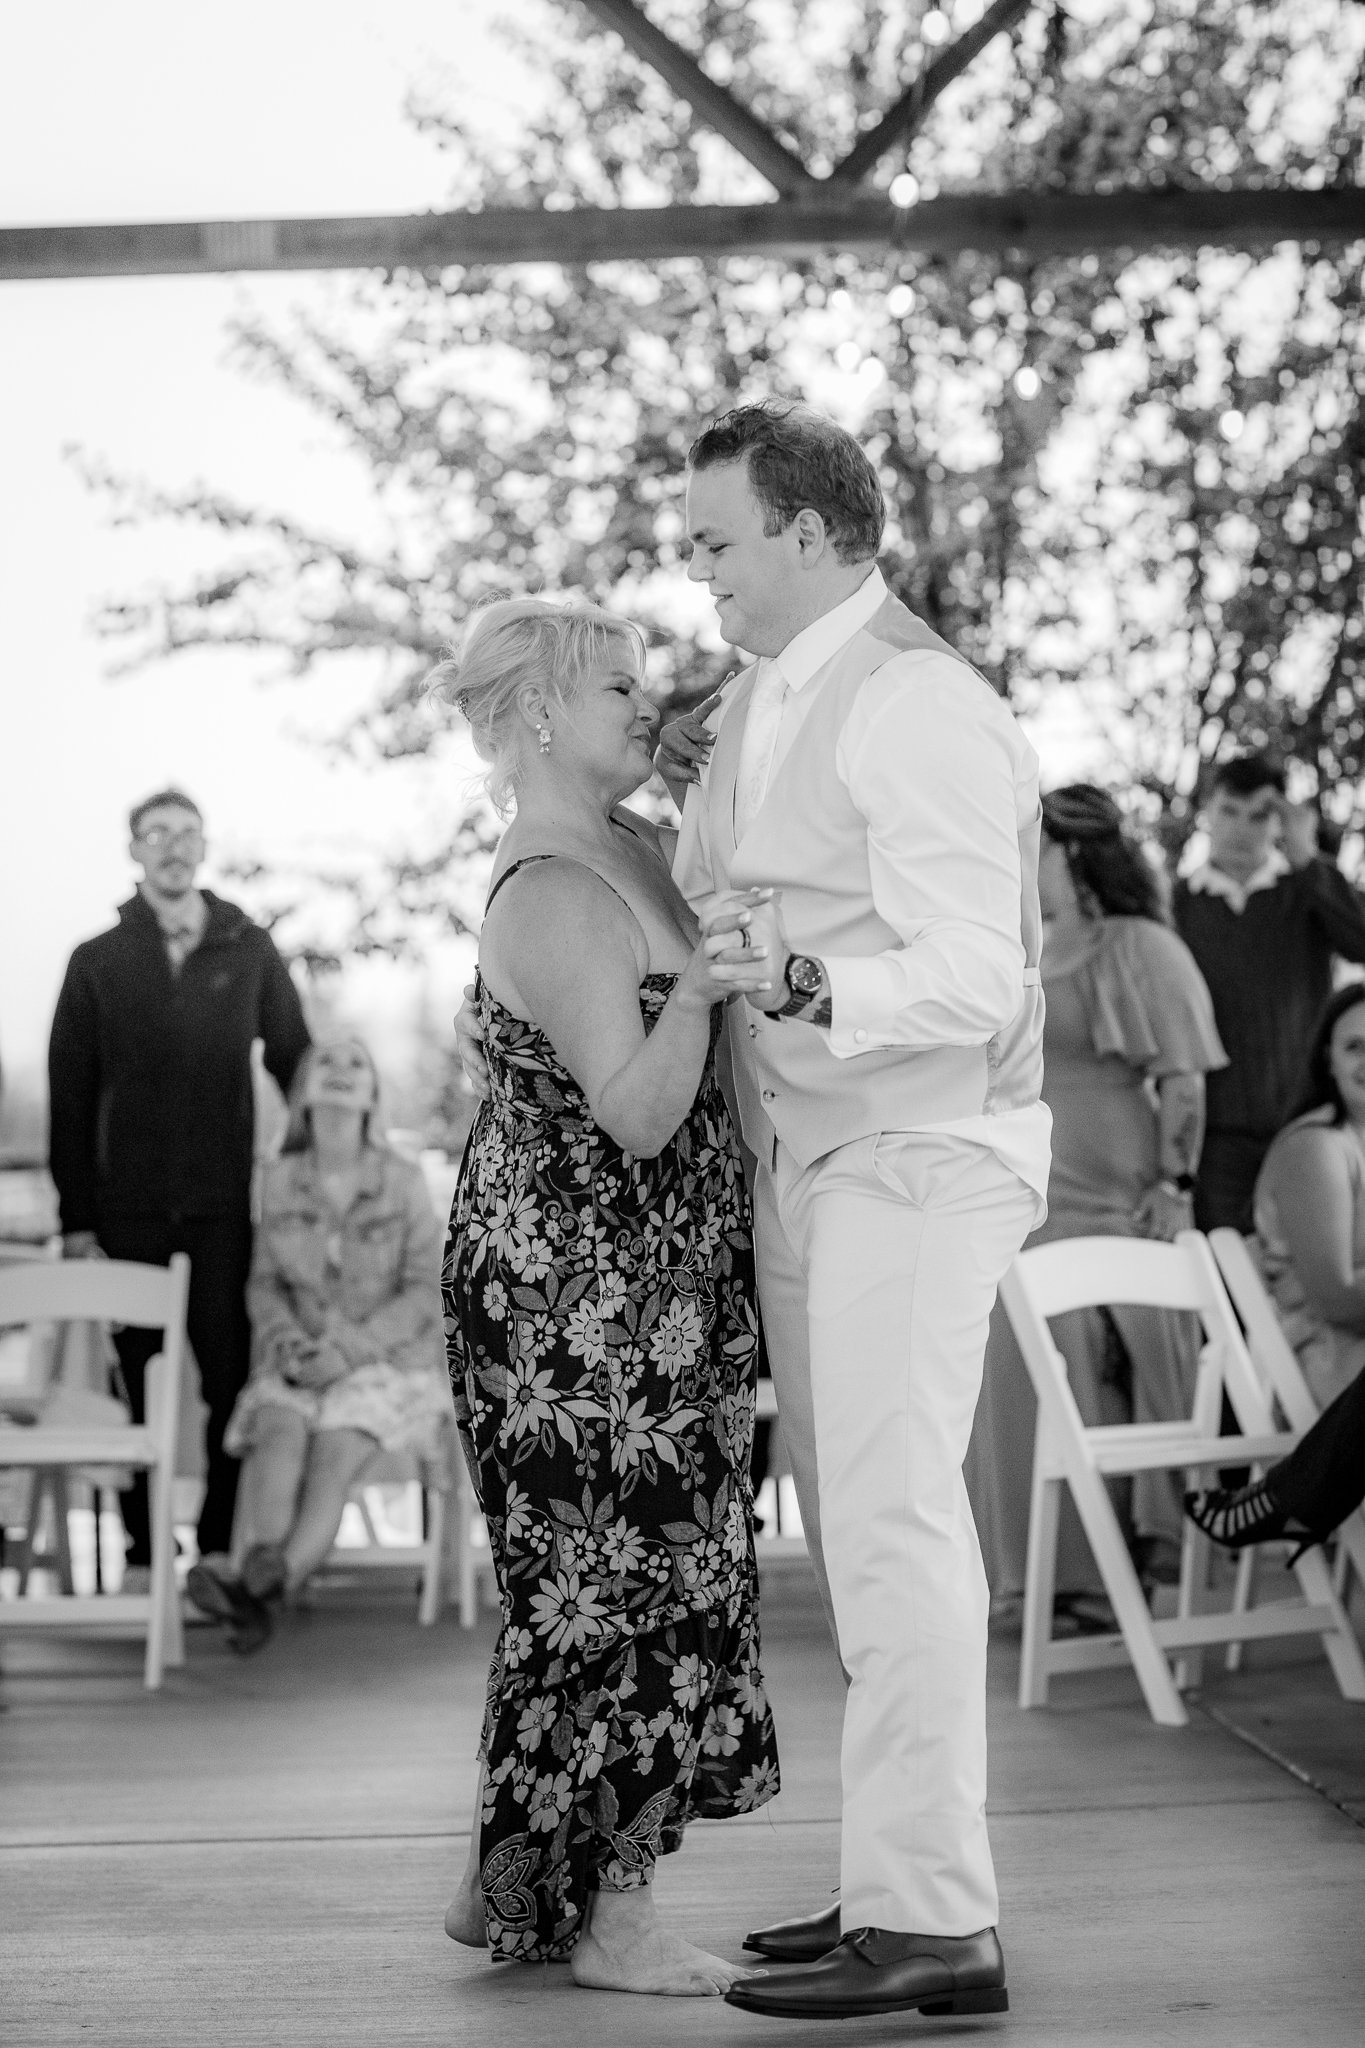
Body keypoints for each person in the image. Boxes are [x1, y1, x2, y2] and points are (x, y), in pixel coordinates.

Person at [629, 397, 1050, 2021]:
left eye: (719, 543)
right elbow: (721, 878)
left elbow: (978, 973)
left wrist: (803, 978)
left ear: (809, 533)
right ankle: (892, 1886)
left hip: (923, 1152)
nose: (702, 573)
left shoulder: (918, 702)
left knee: (896, 1526)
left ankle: (938, 1921)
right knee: (858, 1539)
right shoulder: (764, 696)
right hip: (816, 1164)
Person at [437, 597, 780, 1996]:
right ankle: (612, 1917)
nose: (650, 704)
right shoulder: (552, 890)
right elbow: (636, 1114)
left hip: (657, 1282)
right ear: (536, 712)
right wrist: (695, 991)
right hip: (571, 1301)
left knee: (643, 1574)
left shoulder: (630, 839)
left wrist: (708, 780)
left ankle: (510, 1873)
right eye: (619, 689)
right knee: (614, 1585)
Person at [965, 785, 1227, 1607]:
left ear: (1069, 850)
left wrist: (1175, 1184)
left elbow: (1183, 1081)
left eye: (1030, 841)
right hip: (1024, 1191)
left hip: (1118, 1192)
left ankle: (1121, 1564)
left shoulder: (1141, 945)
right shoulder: (1008, 946)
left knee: (1100, 1359)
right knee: (1020, 1358)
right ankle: (1047, 1572)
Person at [47, 789, 310, 1587]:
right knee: (134, 1384)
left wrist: (302, 1177)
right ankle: (140, 1552)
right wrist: (77, 1219)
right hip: (125, 1217)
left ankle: (218, 1552)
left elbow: (295, 1059)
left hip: (223, 1212)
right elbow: (70, 1096)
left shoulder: (247, 947)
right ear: (134, 851)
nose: (172, 846)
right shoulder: (96, 960)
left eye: (186, 833)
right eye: (155, 833)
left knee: (227, 1385)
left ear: (203, 847)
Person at [185, 1037, 452, 1651]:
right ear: (302, 1088)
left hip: (384, 1365)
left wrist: (350, 1352)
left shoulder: (403, 1181)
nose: (340, 1070)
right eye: (326, 1060)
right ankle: (262, 1591)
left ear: (371, 1095)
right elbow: (264, 1284)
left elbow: (424, 1291)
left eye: (356, 1062)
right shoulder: (276, 1180)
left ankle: (252, 1591)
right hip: (300, 1360)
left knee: (334, 1452)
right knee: (277, 1436)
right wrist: (285, 1342)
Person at [1187, 982, 1365, 1553]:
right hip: (1328, 1352)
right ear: (1328, 1060)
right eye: (1355, 1047)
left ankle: (1288, 1500)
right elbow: (1335, 1298)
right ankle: (1289, 1499)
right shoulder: (1317, 1148)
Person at [1173, 754, 1365, 1234]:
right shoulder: (1176, 905)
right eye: (1229, 811)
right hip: (1215, 1141)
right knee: (1224, 1269)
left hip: (1304, 1129)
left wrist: (1308, 859)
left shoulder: (1307, 891)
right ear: (1207, 811)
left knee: (1308, 1267)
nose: (1241, 829)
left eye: (1259, 815)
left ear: (1281, 821)